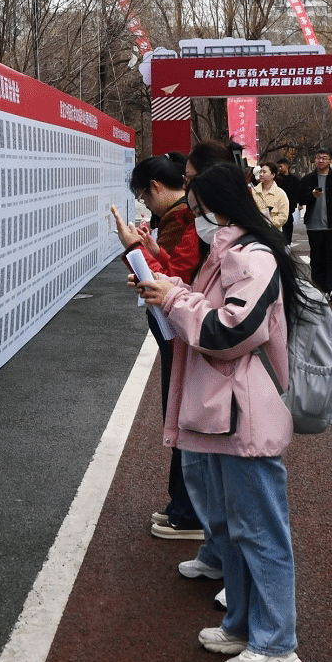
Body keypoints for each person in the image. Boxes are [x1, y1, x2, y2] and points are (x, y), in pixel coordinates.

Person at [133, 161, 314, 662]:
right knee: (234, 529)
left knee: (260, 531)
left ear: (220, 209)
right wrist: (167, 289)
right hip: (221, 410)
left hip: (244, 413)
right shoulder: (227, 253)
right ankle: (242, 624)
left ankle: (276, 643)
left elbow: (230, 330)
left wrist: (172, 297)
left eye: (200, 209)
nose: (196, 219)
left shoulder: (253, 257)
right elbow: (208, 311)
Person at [110, 154, 210, 545]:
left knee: (186, 417)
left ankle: (190, 511)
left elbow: (174, 279)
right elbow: (175, 274)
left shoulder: (187, 219)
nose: (190, 188)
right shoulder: (185, 219)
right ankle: (182, 506)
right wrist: (148, 250)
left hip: (186, 332)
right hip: (184, 330)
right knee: (182, 415)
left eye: (194, 179)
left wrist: (136, 248)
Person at [296, 148, 332, 303]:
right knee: (317, 258)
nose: (320, 160)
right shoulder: (308, 179)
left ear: (330, 161)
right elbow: (300, 199)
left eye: (324, 157)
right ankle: (320, 287)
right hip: (314, 225)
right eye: (318, 157)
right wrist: (311, 195)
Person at [252, 163, 291, 230]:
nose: (261, 174)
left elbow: (283, 216)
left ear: (273, 175)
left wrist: (267, 223)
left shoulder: (280, 193)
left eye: (264, 172)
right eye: (260, 172)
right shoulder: (253, 191)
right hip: (256, 231)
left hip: (273, 231)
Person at [274, 159, 301, 244]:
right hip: (278, 207)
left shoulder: (294, 179)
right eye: (278, 167)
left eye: (281, 166)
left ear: (287, 166)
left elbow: (298, 192)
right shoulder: (276, 179)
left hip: (290, 207)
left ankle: (287, 243)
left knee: (288, 226)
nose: (280, 169)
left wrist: (299, 203)